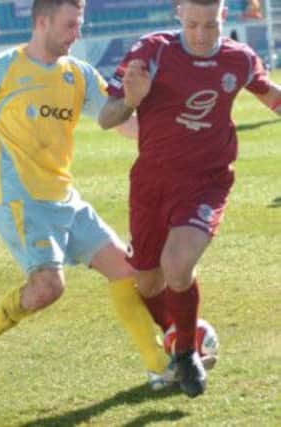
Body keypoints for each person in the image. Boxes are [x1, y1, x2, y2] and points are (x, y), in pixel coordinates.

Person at [0, 0, 173, 391]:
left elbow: (118, 121)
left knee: (126, 270)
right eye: (70, 25)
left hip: (67, 200)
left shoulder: (79, 74)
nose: (77, 33)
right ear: (42, 21)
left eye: (79, 24)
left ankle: (161, 368)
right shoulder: (1, 69)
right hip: (21, 202)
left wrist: (168, 134)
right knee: (48, 288)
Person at [98, 0, 281, 398]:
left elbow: (272, 97)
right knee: (147, 282)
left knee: (177, 265)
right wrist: (132, 99)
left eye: (210, 26)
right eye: (193, 24)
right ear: (179, 12)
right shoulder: (153, 50)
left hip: (206, 181)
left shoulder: (239, 59)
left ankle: (185, 354)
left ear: (224, 17)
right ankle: (179, 333)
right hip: (152, 183)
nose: (201, 35)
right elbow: (105, 118)